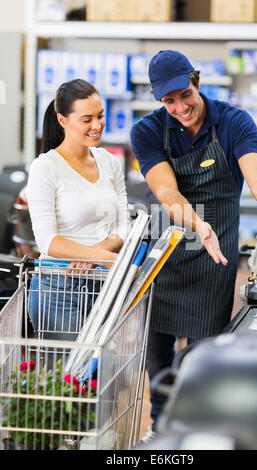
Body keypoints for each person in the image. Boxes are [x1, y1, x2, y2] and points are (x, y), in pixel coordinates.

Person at [130, 50, 257, 439]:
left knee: (203, 357)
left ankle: (196, 433)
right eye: (168, 101)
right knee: (158, 359)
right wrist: (196, 224)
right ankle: (161, 432)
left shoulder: (233, 121)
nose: (179, 107)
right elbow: (166, 193)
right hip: (169, 246)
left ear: (197, 81)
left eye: (184, 95)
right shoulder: (148, 131)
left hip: (215, 254)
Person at [27, 79, 130, 341]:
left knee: (101, 378)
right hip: (57, 289)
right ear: (62, 120)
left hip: (103, 285)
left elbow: (123, 227)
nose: (97, 126)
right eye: (87, 119)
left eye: (100, 116)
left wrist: (95, 256)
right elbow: (48, 241)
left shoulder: (108, 162)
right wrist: (108, 258)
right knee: (69, 379)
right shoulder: (45, 167)